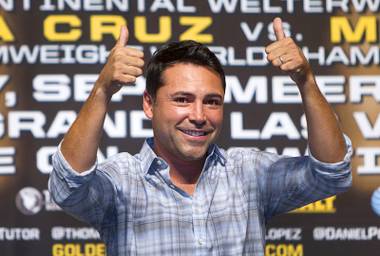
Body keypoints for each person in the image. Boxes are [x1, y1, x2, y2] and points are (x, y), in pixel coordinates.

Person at [49, 18, 352, 255]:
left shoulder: (248, 172)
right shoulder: (121, 181)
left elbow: (331, 173)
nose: (198, 115)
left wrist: (306, 81)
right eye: (182, 99)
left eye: (212, 101)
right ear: (149, 104)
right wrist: (102, 91)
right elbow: (67, 186)